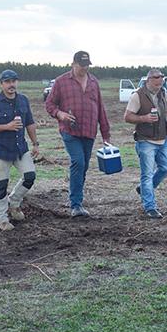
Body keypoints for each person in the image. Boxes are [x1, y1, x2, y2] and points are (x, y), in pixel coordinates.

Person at [45, 50, 112, 217]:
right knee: (78, 162)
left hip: (89, 131)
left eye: (87, 65)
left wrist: (106, 134)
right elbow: (50, 104)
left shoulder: (94, 82)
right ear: (73, 64)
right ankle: (75, 204)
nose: (85, 68)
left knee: (84, 166)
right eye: (82, 65)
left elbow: (100, 108)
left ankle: (77, 199)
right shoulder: (61, 82)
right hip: (70, 130)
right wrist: (60, 114)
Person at [0, 69, 39, 231]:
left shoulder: (23, 100)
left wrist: (35, 144)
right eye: (7, 82)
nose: (11, 85)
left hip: (20, 149)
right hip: (1, 150)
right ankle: (1, 218)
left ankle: (14, 203)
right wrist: (7, 126)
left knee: (30, 176)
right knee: (1, 186)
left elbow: (30, 123)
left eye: (13, 81)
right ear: (1, 84)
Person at [124, 68, 167, 219]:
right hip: (146, 141)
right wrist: (143, 118)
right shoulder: (137, 95)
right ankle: (150, 207)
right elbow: (127, 117)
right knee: (147, 175)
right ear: (148, 80)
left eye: (161, 80)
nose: (159, 84)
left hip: (164, 139)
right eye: (156, 81)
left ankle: (144, 189)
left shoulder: (163, 92)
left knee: (166, 168)